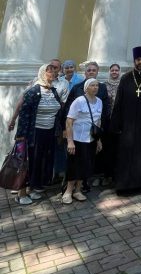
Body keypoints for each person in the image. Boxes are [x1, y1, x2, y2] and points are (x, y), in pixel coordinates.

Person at [14, 64, 63, 205]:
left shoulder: (54, 91)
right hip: (33, 133)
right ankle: (21, 193)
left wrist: (59, 131)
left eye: (55, 71)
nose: (53, 73)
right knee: (27, 161)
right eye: (50, 71)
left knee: (40, 161)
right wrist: (21, 136)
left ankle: (32, 188)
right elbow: (24, 115)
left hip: (49, 133)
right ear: (42, 73)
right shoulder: (33, 91)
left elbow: (58, 113)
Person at [110, 47, 141, 193]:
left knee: (139, 155)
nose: (140, 62)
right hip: (127, 124)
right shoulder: (126, 78)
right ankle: (122, 185)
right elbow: (118, 102)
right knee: (125, 154)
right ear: (134, 61)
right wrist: (116, 124)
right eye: (138, 60)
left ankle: (137, 185)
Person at [63, 78, 103, 204]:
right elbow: (69, 121)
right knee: (74, 166)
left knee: (85, 166)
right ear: (86, 88)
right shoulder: (79, 101)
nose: (95, 87)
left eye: (97, 85)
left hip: (90, 140)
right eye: (92, 85)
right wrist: (70, 141)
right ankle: (68, 192)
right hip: (77, 140)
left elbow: (98, 122)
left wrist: (98, 140)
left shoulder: (100, 102)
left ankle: (78, 190)